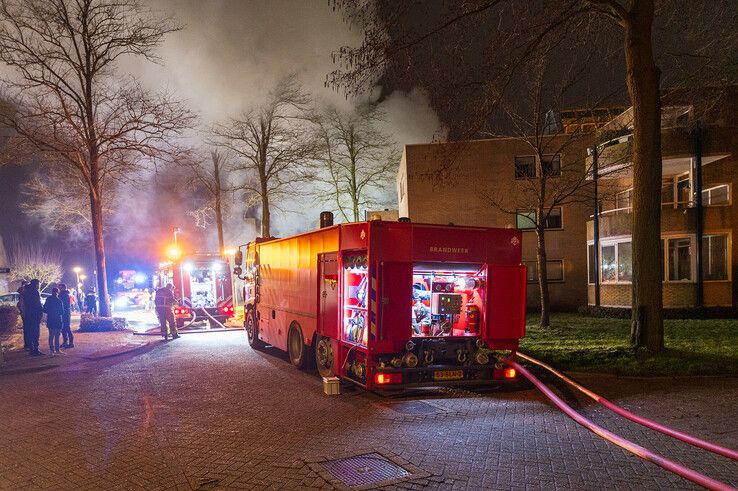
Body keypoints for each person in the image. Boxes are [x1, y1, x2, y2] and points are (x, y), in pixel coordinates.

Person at [22, 279, 44, 355]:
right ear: (35, 284)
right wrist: (40, 313)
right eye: (38, 284)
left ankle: (32, 349)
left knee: (30, 332)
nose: (38, 286)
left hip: (28, 315)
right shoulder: (34, 292)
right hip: (34, 315)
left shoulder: (25, 291)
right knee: (35, 332)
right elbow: (37, 304)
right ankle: (35, 349)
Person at [43, 287, 64, 354]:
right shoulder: (59, 301)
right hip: (57, 319)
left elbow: (44, 309)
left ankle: (52, 350)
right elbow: (62, 312)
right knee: (57, 335)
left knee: (51, 335)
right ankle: (57, 349)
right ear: (58, 293)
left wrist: (50, 312)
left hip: (50, 319)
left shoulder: (48, 300)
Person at [58, 283, 74, 348]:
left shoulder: (64, 295)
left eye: (60, 288)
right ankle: (65, 342)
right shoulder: (63, 294)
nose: (59, 289)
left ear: (63, 288)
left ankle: (70, 343)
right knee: (63, 328)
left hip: (65, 313)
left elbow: (65, 305)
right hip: (64, 313)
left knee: (67, 328)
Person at [16, 280, 28, 350]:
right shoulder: (23, 294)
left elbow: (19, 305)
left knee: (26, 329)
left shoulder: (21, 294)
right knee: (27, 329)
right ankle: (27, 344)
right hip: (25, 313)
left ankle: (27, 344)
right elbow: (20, 305)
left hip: (24, 313)